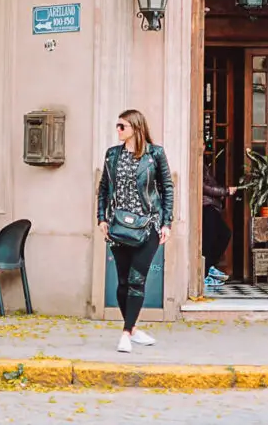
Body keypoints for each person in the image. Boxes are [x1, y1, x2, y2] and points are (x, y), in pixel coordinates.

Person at [97, 109, 174, 353]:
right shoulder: (112, 155)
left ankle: (125, 334)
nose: (118, 131)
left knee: (136, 280)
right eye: (117, 126)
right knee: (121, 282)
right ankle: (133, 328)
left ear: (136, 129)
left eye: (122, 126)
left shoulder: (155, 154)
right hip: (118, 226)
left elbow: (167, 188)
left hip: (148, 225)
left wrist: (166, 223)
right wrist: (101, 218)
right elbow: (103, 189)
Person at [202, 163, 235, 287]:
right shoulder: (198, 163)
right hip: (206, 206)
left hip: (211, 207)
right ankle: (205, 273)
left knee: (222, 235)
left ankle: (208, 268)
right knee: (210, 240)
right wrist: (225, 191)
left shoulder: (204, 165)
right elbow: (204, 187)